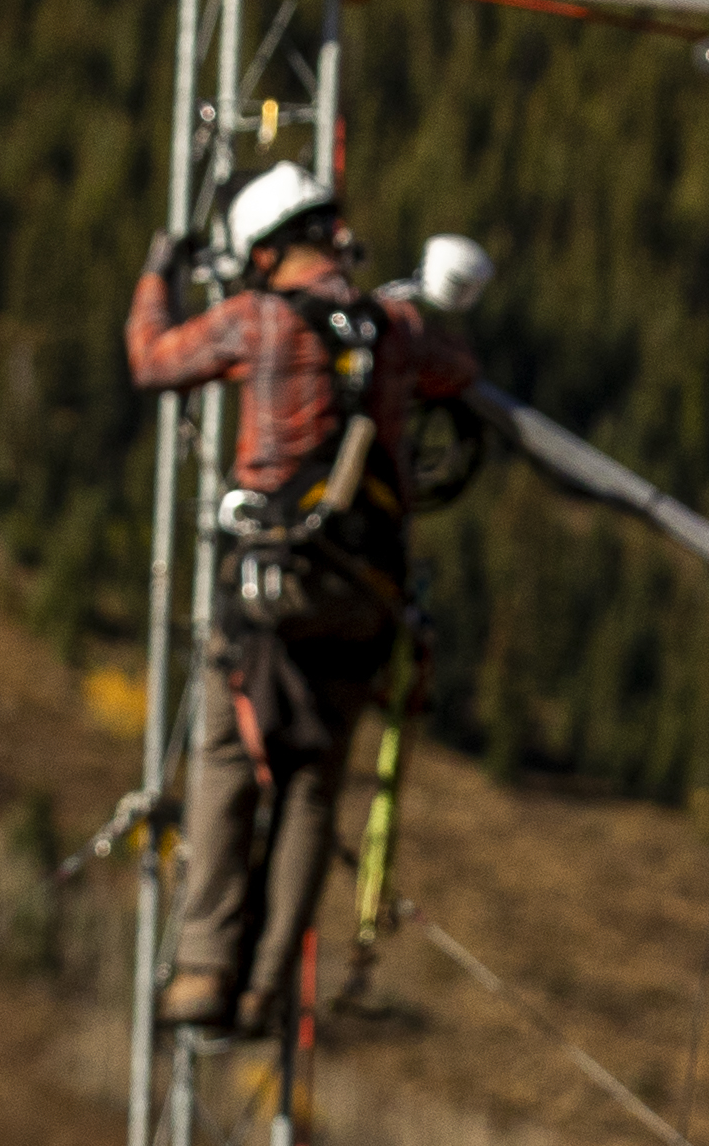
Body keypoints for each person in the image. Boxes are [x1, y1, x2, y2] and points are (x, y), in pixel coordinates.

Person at [124, 158, 485, 1043]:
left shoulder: (258, 320)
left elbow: (154, 361)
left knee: (227, 758)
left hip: (274, 584)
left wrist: (155, 274)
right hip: (366, 593)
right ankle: (267, 989)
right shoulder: (394, 326)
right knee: (312, 785)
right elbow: (460, 374)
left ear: (263, 252)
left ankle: (206, 971)